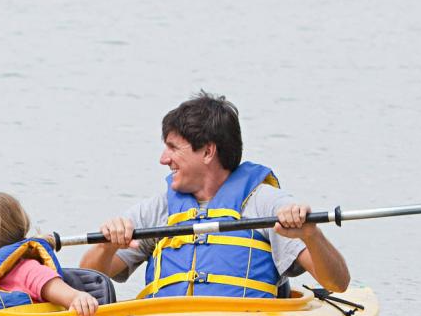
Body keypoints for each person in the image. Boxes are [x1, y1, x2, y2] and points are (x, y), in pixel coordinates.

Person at [79, 91, 350, 298]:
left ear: (208, 152)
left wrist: (311, 235)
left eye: (174, 148)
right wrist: (107, 245)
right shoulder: (158, 210)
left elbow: (337, 283)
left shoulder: (265, 204)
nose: (164, 159)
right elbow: (90, 279)